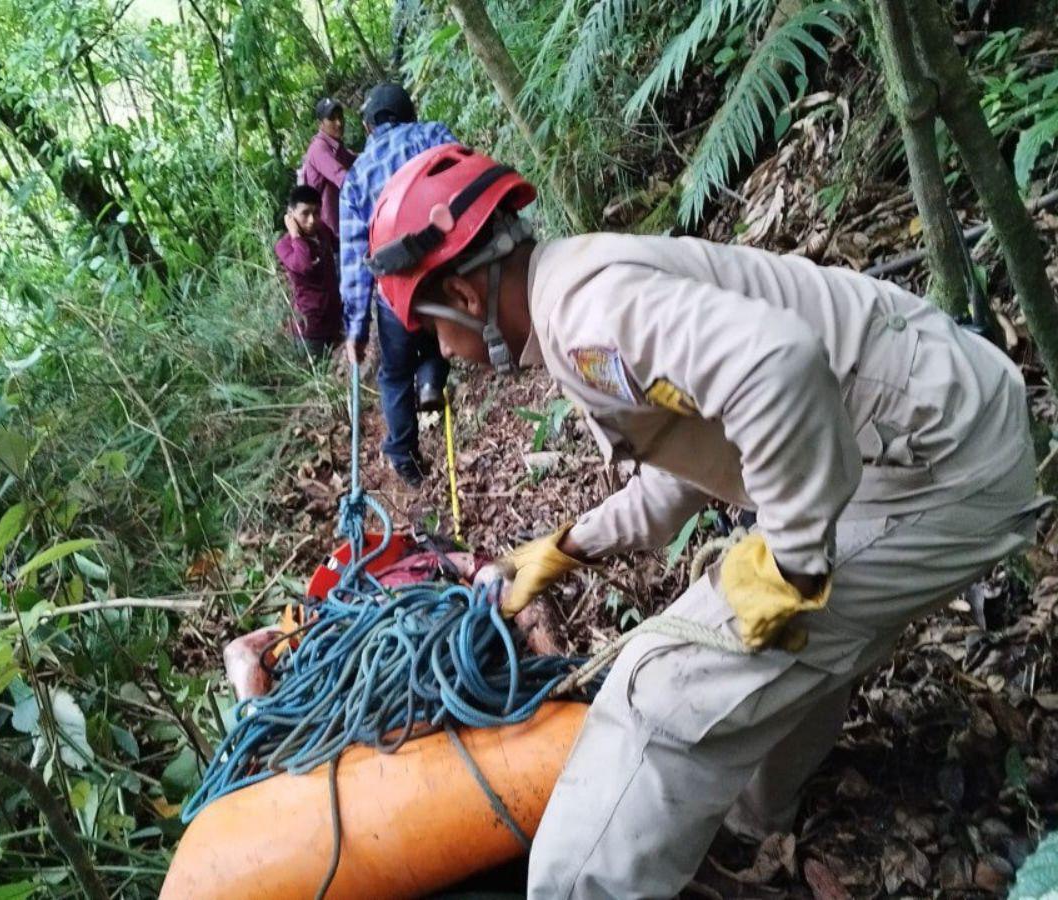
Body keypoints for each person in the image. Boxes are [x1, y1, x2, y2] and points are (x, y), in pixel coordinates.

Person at [363, 143, 1045, 897]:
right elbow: (695, 457)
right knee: (777, 646)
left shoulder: (587, 316)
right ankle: (755, 822)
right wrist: (566, 547)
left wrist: (791, 561)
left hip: (934, 466)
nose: (445, 355)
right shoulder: (579, 290)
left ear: (460, 295)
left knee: (656, 692)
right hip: (936, 431)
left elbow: (778, 367)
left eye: (431, 335)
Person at [338, 83, 456, 486]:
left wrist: (357, 329)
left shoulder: (355, 180)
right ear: (410, 113)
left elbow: (355, 260)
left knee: (392, 374)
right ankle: (432, 379)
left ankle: (405, 456)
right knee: (440, 334)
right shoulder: (432, 135)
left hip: (395, 294)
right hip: (447, 273)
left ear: (369, 128)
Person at [274, 185, 342, 359]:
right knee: (316, 379)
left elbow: (341, 246)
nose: (312, 220)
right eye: (305, 213)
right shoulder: (284, 245)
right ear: (291, 215)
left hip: (334, 320)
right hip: (310, 329)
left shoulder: (322, 231)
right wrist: (295, 235)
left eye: (317, 213)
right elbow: (303, 265)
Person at [300, 96, 356, 248]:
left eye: (340, 117)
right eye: (332, 119)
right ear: (321, 124)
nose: (339, 123)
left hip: (343, 229)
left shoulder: (335, 146)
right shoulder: (319, 149)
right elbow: (344, 179)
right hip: (332, 236)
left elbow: (356, 161)